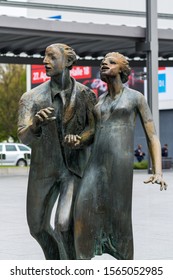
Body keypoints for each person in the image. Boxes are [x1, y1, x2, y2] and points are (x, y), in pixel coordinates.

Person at [74, 52, 167, 260]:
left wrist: (158, 171)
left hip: (119, 166)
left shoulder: (135, 97)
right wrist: (77, 140)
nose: (104, 63)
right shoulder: (98, 102)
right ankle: (81, 266)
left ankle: (125, 266)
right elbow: (90, 133)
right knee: (81, 214)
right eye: (103, 61)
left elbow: (152, 136)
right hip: (95, 165)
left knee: (120, 219)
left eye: (111, 62)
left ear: (123, 70)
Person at [18, 43, 96, 260]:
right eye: (45, 57)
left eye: (52, 57)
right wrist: (34, 125)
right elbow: (22, 136)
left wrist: (80, 139)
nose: (45, 61)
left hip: (72, 170)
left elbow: (94, 129)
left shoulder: (86, 95)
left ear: (68, 62)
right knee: (37, 227)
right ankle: (57, 264)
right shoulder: (30, 97)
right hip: (42, 170)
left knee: (63, 224)